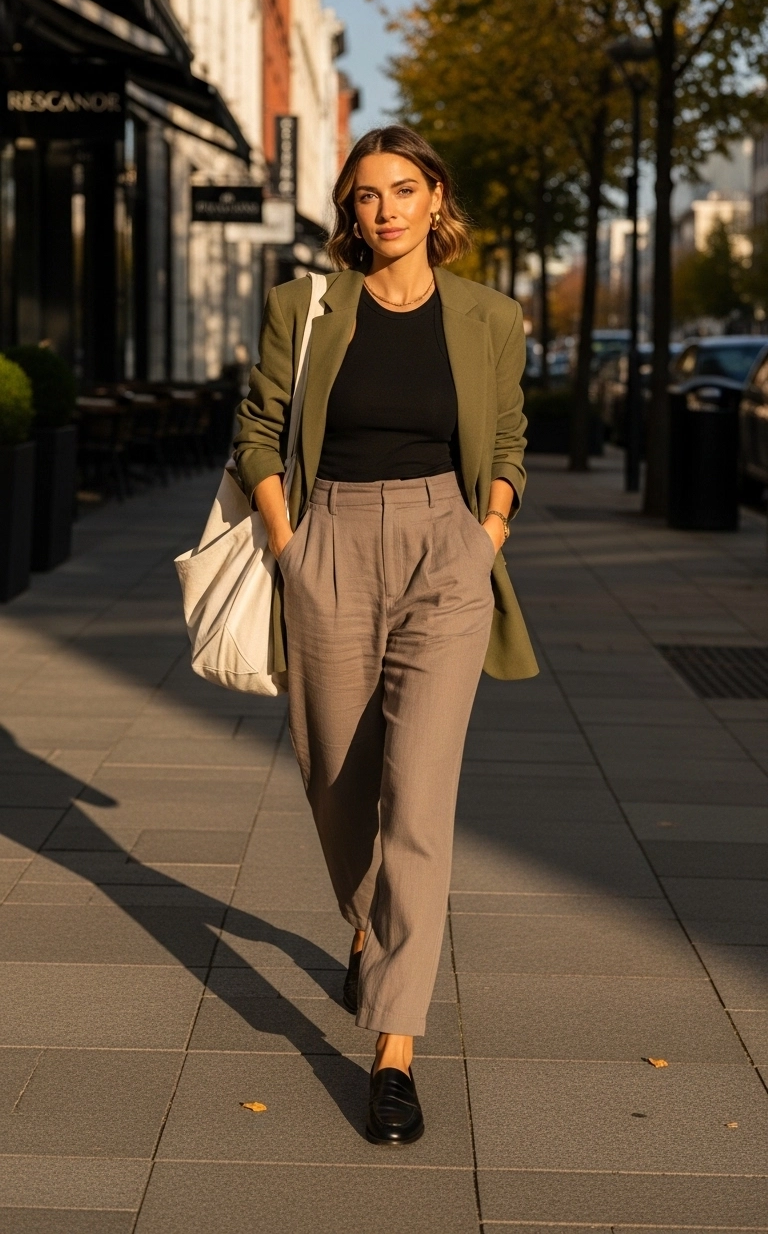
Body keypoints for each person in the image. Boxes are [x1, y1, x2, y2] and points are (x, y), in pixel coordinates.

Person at [234, 126, 537, 1145]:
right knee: (335, 777)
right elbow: (259, 429)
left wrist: (483, 531)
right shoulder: (304, 308)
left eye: (405, 189)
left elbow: (507, 440)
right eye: (367, 195)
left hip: (444, 552)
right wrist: (289, 547)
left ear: (435, 197)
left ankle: (396, 1048)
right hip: (330, 542)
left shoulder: (490, 316)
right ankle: (369, 924)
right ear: (349, 211)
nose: (387, 209)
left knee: (419, 791)